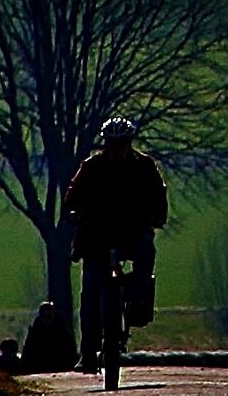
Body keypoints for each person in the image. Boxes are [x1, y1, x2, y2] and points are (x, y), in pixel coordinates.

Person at [62, 116, 169, 374]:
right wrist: (73, 213)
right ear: (106, 143)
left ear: (129, 143)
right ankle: (88, 352)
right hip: (97, 237)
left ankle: (137, 298)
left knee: (146, 250)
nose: (118, 149)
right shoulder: (91, 167)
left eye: (122, 144)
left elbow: (159, 196)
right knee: (89, 294)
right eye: (113, 143)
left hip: (132, 234)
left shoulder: (145, 167)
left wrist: (157, 217)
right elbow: (72, 197)